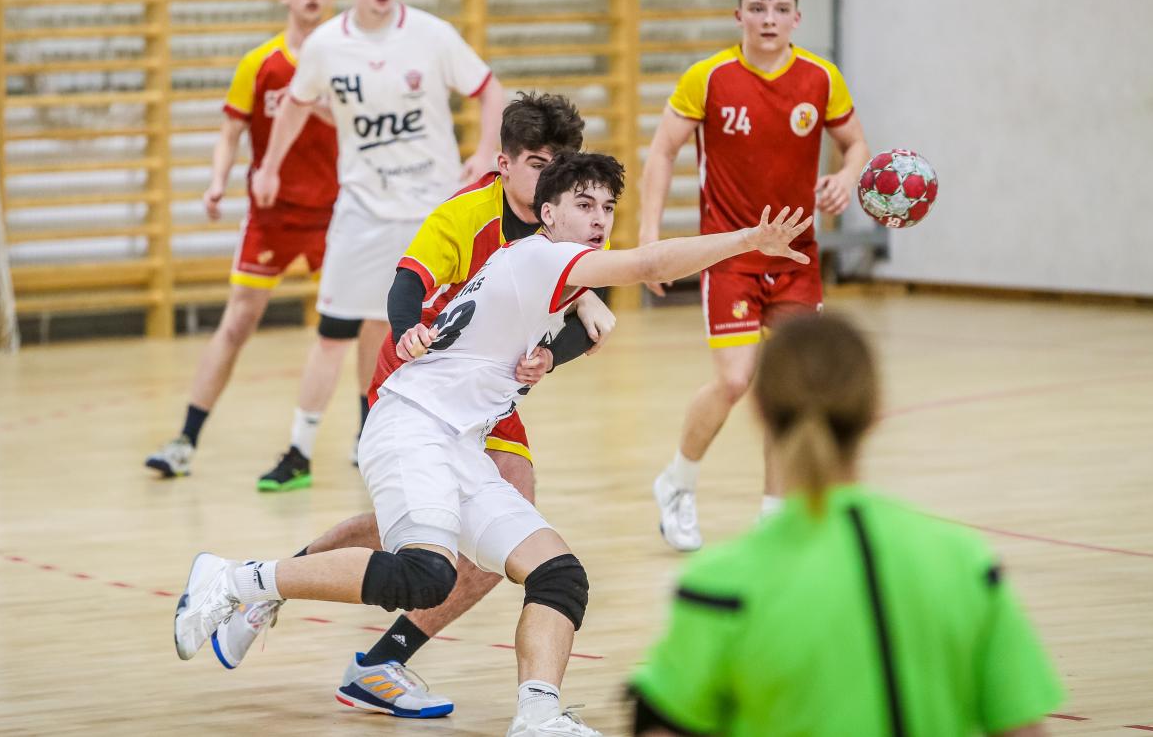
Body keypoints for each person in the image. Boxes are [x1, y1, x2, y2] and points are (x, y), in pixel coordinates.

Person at [172, 151, 814, 737]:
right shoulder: (542, 257)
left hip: (459, 442)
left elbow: (583, 320)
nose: (599, 219)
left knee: (559, 576)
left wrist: (559, 344)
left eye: (607, 207)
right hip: (412, 424)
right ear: (548, 213)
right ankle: (236, 579)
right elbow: (647, 265)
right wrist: (747, 241)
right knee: (425, 573)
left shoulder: (550, 270)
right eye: (584, 205)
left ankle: (538, 714)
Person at [205, 93, 614, 722]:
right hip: (419, 372)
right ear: (504, 163)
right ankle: (274, 590)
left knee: (475, 531)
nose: (549, 178)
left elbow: (592, 317)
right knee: (440, 524)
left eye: (559, 165)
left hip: (487, 390)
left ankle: (371, 657)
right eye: (537, 164)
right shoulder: (466, 215)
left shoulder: (573, 214)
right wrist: (405, 332)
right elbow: (407, 284)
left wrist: (550, 356)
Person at [628, 314, 1063, 737]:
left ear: (758, 412)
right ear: (875, 411)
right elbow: (1024, 728)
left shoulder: (719, 585)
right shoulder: (967, 563)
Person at [250, 0, 504, 491]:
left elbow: (491, 90)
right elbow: (295, 107)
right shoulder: (325, 46)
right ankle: (299, 451)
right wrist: (268, 167)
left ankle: (405, 437)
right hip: (363, 212)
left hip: (431, 214)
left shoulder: (432, 35)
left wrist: (486, 152)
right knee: (335, 332)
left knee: (430, 334)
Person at [639, 0, 872, 550]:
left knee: (790, 387)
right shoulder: (709, 78)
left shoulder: (821, 78)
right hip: (731, 254)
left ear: (797, 17)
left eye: (780, 9)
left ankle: (774, 515)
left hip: (797, 257)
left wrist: (847, 176)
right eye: (758, 8)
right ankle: (677, 483)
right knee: (737, 380)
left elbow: (856, 145)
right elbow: (662, 150)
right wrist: (649, 238)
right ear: (738, 14)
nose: (769, 19)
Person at [145, 0, 337, 478]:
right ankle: (185, 439)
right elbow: (230, 132)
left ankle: (369, 434)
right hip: (273, 214)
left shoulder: (344, 60)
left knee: (365, 322)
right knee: (237, 323)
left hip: (336, 212)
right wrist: (216, 183)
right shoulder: (260, 64)